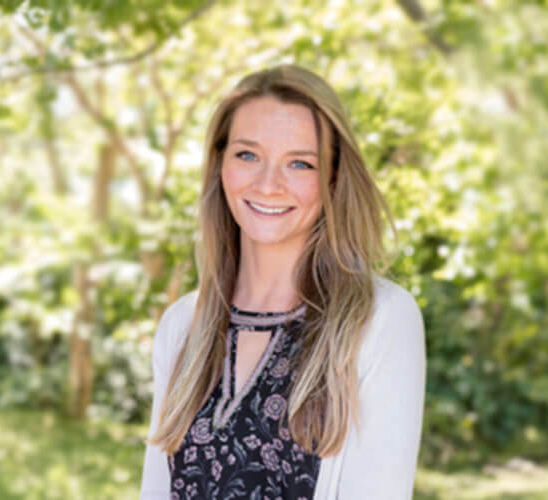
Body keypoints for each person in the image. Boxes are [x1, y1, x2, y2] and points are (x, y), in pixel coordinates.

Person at [139, 64, 426, 499]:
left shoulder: (378, 320)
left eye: (300, 163)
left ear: (332, 177)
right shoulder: (182, 327)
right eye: (248, 155)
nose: (269, 184)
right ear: (220, 165)